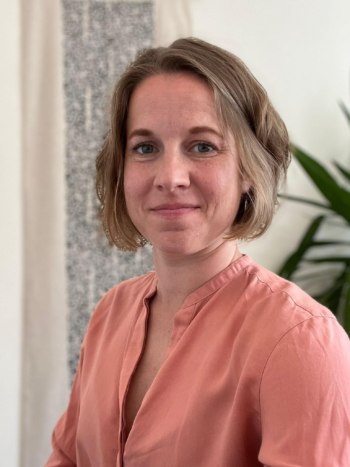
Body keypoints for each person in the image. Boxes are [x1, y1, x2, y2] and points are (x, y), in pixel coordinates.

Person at [45, 37, 350, 467]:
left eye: (203, 146)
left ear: (248, 169)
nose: (170, 176)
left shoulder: (299, 341)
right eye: (145, 148)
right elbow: (66, 458)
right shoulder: (110, 313)